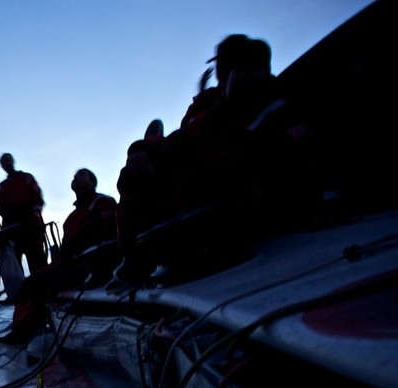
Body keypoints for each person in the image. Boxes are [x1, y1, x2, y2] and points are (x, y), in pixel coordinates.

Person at [112, 34, 321, 287]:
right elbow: (182, 140)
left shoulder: (272, 101)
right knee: (133, 176)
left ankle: (201, 248)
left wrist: (231, 104)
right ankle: (136, 260)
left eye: (231, 63)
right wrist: (144, 150)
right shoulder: (207, 104)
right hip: (192, 195)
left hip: (235, 200)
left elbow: (237, 153)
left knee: (203, 179)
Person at [0, 168, 117, 345]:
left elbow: (109, 235)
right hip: (71, 264)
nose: (76, 177)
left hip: (90, 266)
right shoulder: (71, 218)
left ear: (92, 183)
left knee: (33, 284)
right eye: (74, 176)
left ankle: (22, 333)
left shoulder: (103, 203)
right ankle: (27, 327)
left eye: (82, 175)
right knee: (32, 281)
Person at [0, 153, 48, 277]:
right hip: (12, 233)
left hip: (32, 228)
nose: (6, 163)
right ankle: (20, 294)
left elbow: (38, 200)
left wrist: (30, 215)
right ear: (1, 166)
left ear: (13, 161)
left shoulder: (27, 178)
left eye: (7, 160)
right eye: (3, 162)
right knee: (14, 268)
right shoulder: (1, 187)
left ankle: (45, 290)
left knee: (38, 265)